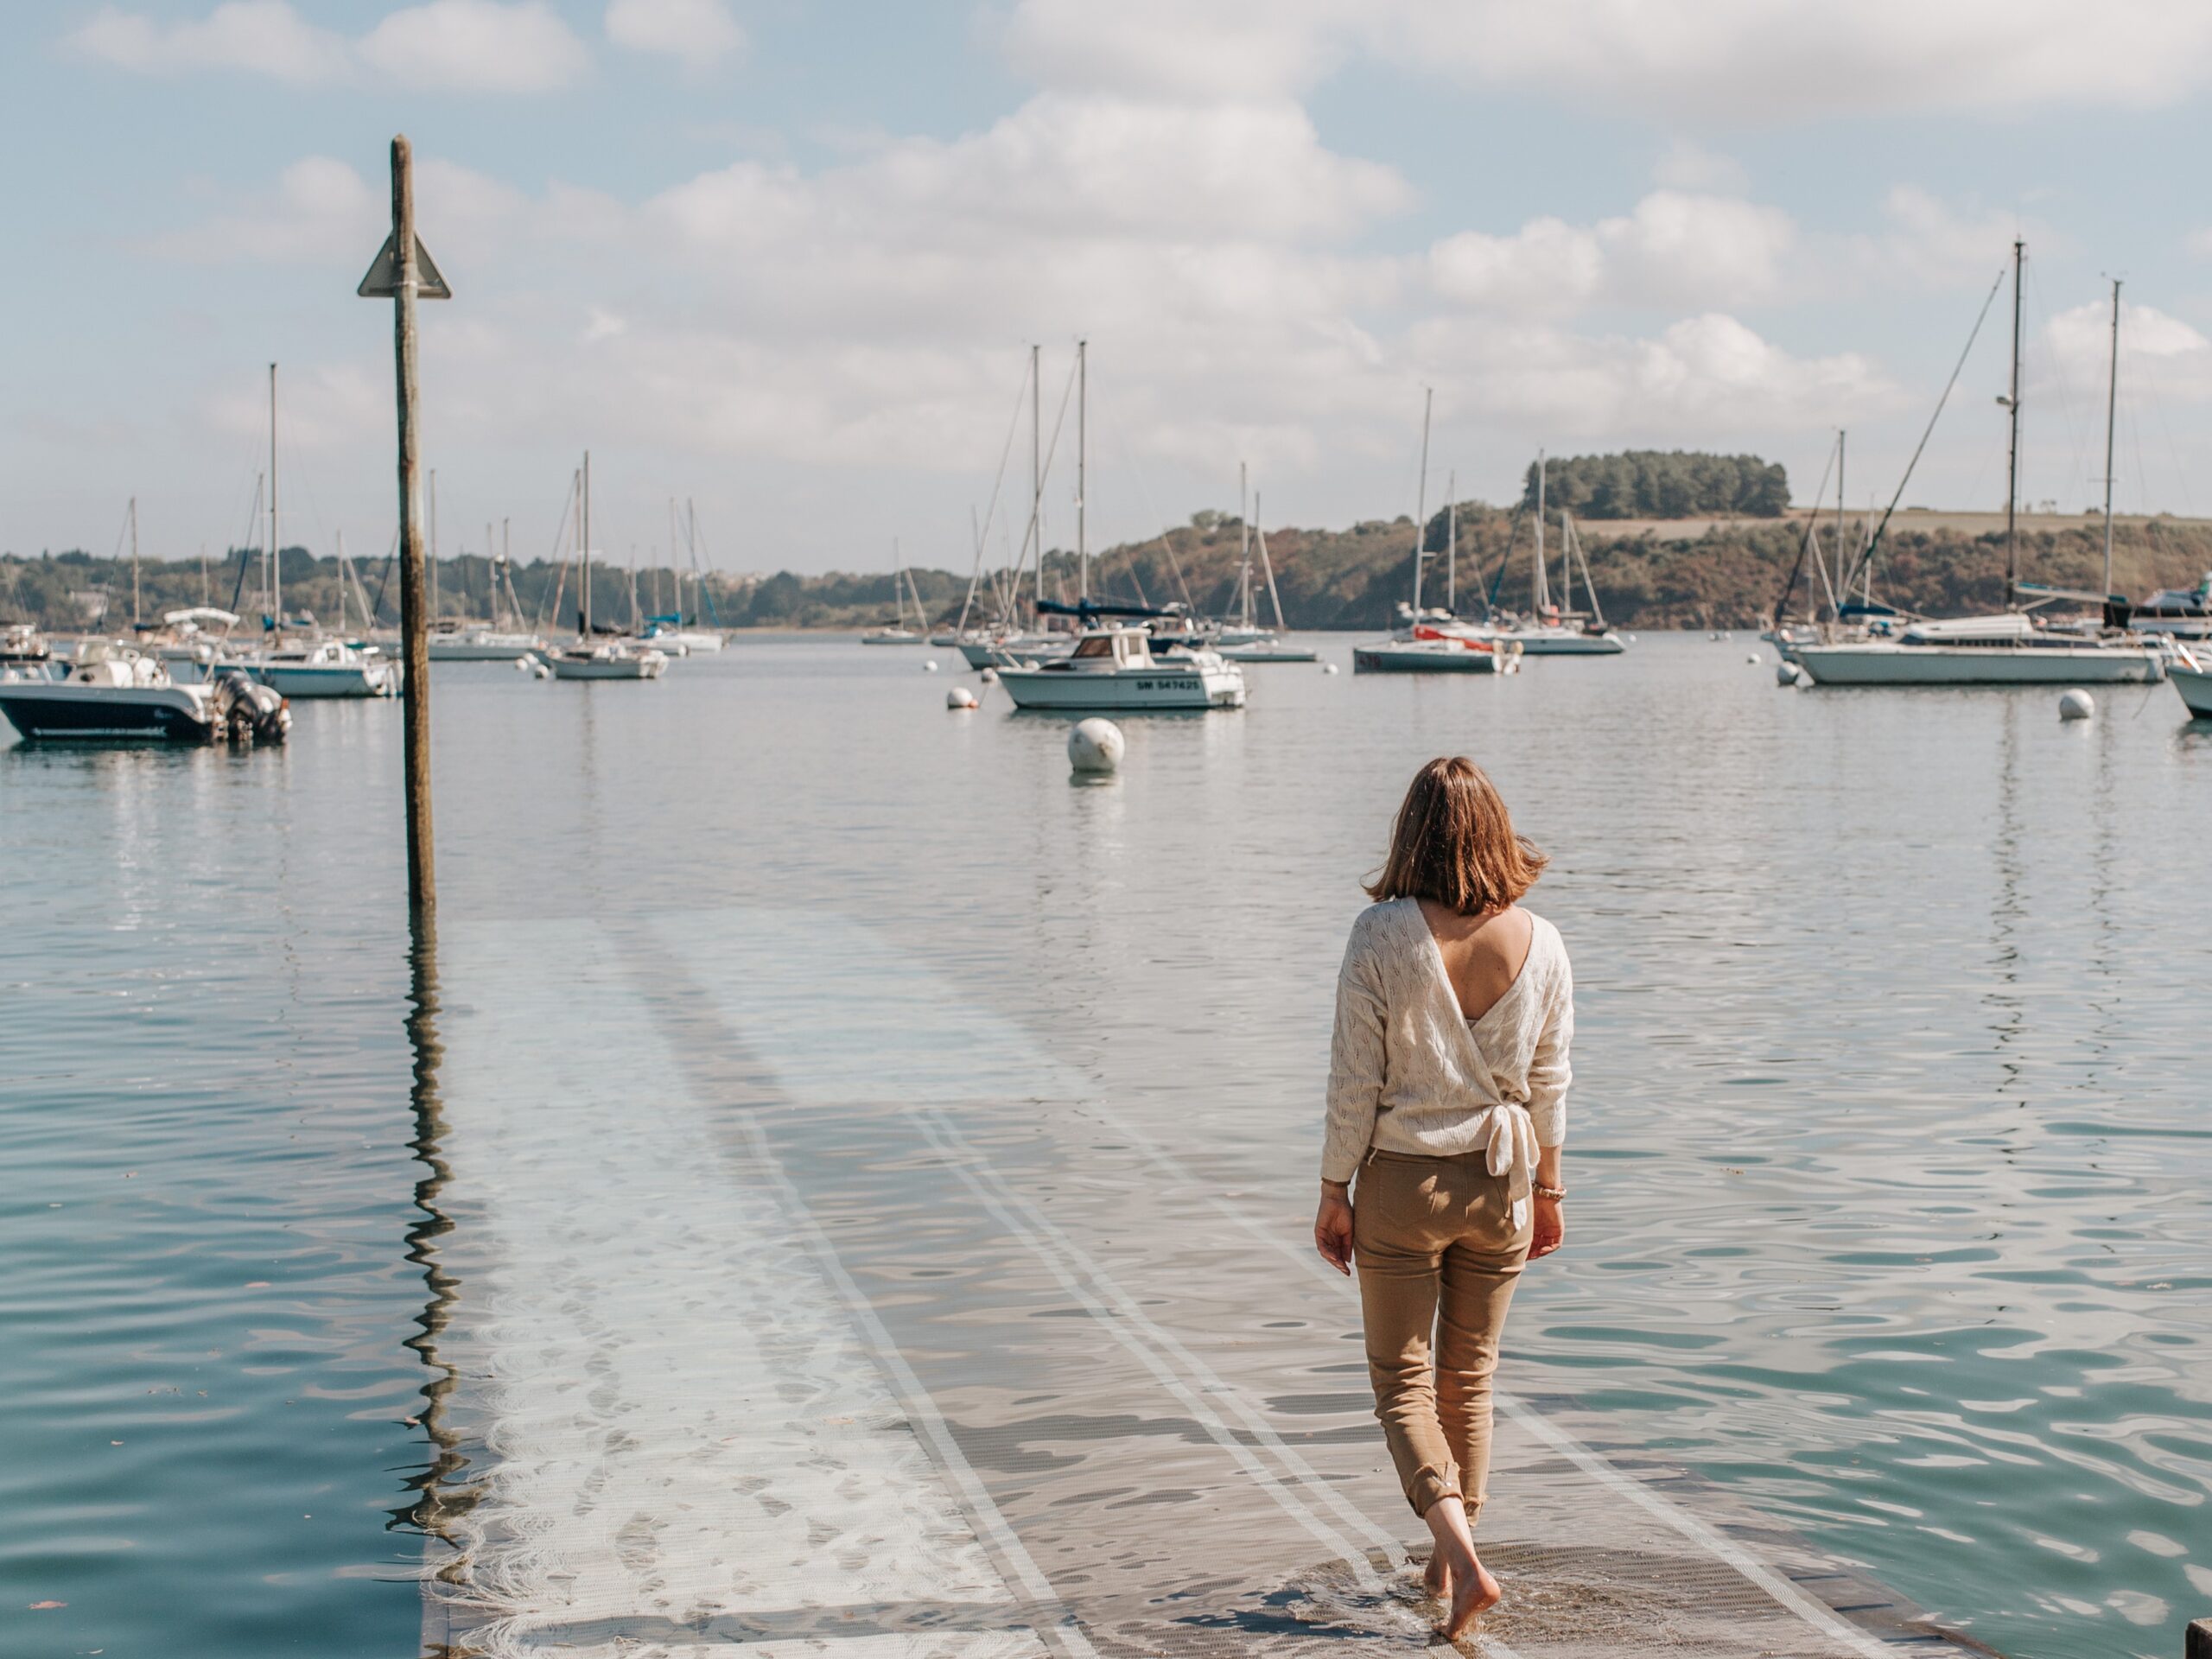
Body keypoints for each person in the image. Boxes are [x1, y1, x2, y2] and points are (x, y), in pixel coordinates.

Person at [1313, 755, 1571, 1638]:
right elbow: (1550, 1082)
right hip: (1502, 1181)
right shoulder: (1542, 941)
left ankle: (1460, 1564)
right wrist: (1549, 1191)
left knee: (1402, 1385)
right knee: (1471, 1381)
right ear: (1496, 833)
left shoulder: (1379, 933)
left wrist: (1331, 1187)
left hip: (1402, 1179)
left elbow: (1355, 1078)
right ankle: (1443, 1561)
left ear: (1411, 833)